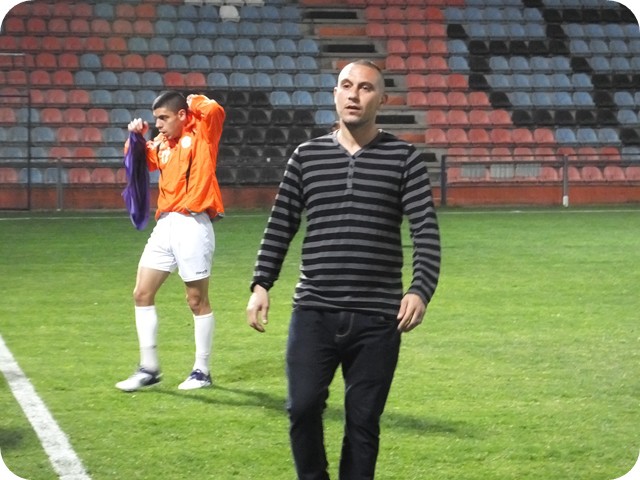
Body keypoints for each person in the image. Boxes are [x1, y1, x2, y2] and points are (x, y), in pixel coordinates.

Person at [246, 60, 441, 479]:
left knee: (363, 422)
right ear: (335, 94)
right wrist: (261, 283)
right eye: (346, 86)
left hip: (377, 316)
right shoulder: (306, 156)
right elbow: (281, 224)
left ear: (382, 99)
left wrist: (419, 289)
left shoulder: (404, 159)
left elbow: (425, 231)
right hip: (314, 309)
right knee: (301, 408)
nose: (354, 95)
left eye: (366, 88)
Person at [116, 91, 226, 392]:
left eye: (163, 118)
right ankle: (149, 368)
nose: (159, 125)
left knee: (196, 300)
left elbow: (214, 110)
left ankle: (202, 371)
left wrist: (193, 100)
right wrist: (135, 137)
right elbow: (140, 160)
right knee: (142, 293)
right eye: (156, 119)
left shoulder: (203, 134)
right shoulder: (163, 144)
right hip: (165, 224)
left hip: (193, 224)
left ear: (181, 115)